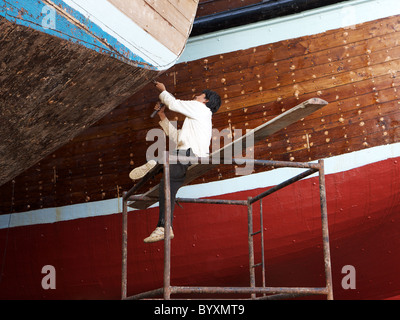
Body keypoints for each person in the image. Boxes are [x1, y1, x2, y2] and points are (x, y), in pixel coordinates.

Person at [129, 81, 221, 243]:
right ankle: (164, 226)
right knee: (167, 187)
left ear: (206, 100)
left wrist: (163, 91)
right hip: (185, 155)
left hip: (190, 155)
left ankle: (155, 164)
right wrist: (162, 116)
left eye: (199, 94)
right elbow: (177, 138)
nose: (196, 96)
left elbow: (173, 103)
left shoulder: (201, 109)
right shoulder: (197, 120)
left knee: (168, 169)